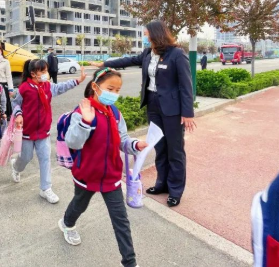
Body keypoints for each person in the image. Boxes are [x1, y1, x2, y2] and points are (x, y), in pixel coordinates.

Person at [92, 20, 196, 207]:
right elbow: (129, 60)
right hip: (153, 105)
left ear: (156, 34)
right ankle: (161, 184)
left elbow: (186, 85)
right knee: (158, 147)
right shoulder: (148, 53)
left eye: (146, 34)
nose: (145, 37)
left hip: (172, 110)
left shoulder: (177, 54)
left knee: (175, 150)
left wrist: (187, 113)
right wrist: (105, 63)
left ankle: (175, 190)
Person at [59, 68, 148, 267]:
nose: (114, 94)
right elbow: (73, 142)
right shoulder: (82, 111)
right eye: (110, 88)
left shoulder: (115, 112)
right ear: (95, 87)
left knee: (121, 221)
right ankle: (67, 223)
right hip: (86, 174)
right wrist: (85, 122)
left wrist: (134, 145)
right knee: (79, 205)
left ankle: (130, 262)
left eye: (118, 90)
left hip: (111, 176)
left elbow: (122, 140)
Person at [11, 59, 87, 204]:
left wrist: (78, 80)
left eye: (46, 70)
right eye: (43, 71)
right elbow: (15, 103)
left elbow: (61, 87)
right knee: (25, 158)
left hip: (43, 131)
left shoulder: (48, 86)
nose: (47, 74)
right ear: (33, 74)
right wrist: (19, 114)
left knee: (45, 159)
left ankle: (45, 188)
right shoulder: (24, 88)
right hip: (27, 132)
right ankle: (16, 166)